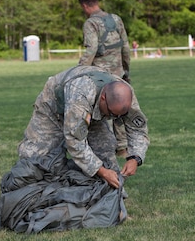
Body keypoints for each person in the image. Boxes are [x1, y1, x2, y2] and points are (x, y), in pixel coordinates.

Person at [17, 65, 149, 189]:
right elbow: (75, 142)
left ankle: (112, 198)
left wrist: (135, 158)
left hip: (92, 109)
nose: (113, 118)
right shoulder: (81, 95)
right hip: (53, 107)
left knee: (105, 149)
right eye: (111, 114)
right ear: (103, 98)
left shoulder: (125, 95)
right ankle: (28, 194)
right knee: (35, 155)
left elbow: (137, 129)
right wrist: (101, 171)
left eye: (119, 115)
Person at [77, 0, 130, 158]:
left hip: (100, 76)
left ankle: (100, 147)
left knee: (99, 110)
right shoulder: (116, 19)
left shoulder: (90, 24)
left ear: (85, 6)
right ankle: (122, 147)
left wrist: (78, 71)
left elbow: (91, 50)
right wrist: (126, 69)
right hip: (118, 74)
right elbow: (125, 47)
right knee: (120, 108)